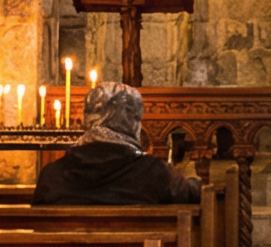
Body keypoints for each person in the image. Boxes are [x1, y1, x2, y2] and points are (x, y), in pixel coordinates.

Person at [33, 83, 202, 206]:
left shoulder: (51, 176)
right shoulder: (156, 175)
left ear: (88, 118)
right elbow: (193, 194)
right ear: (132, 123)